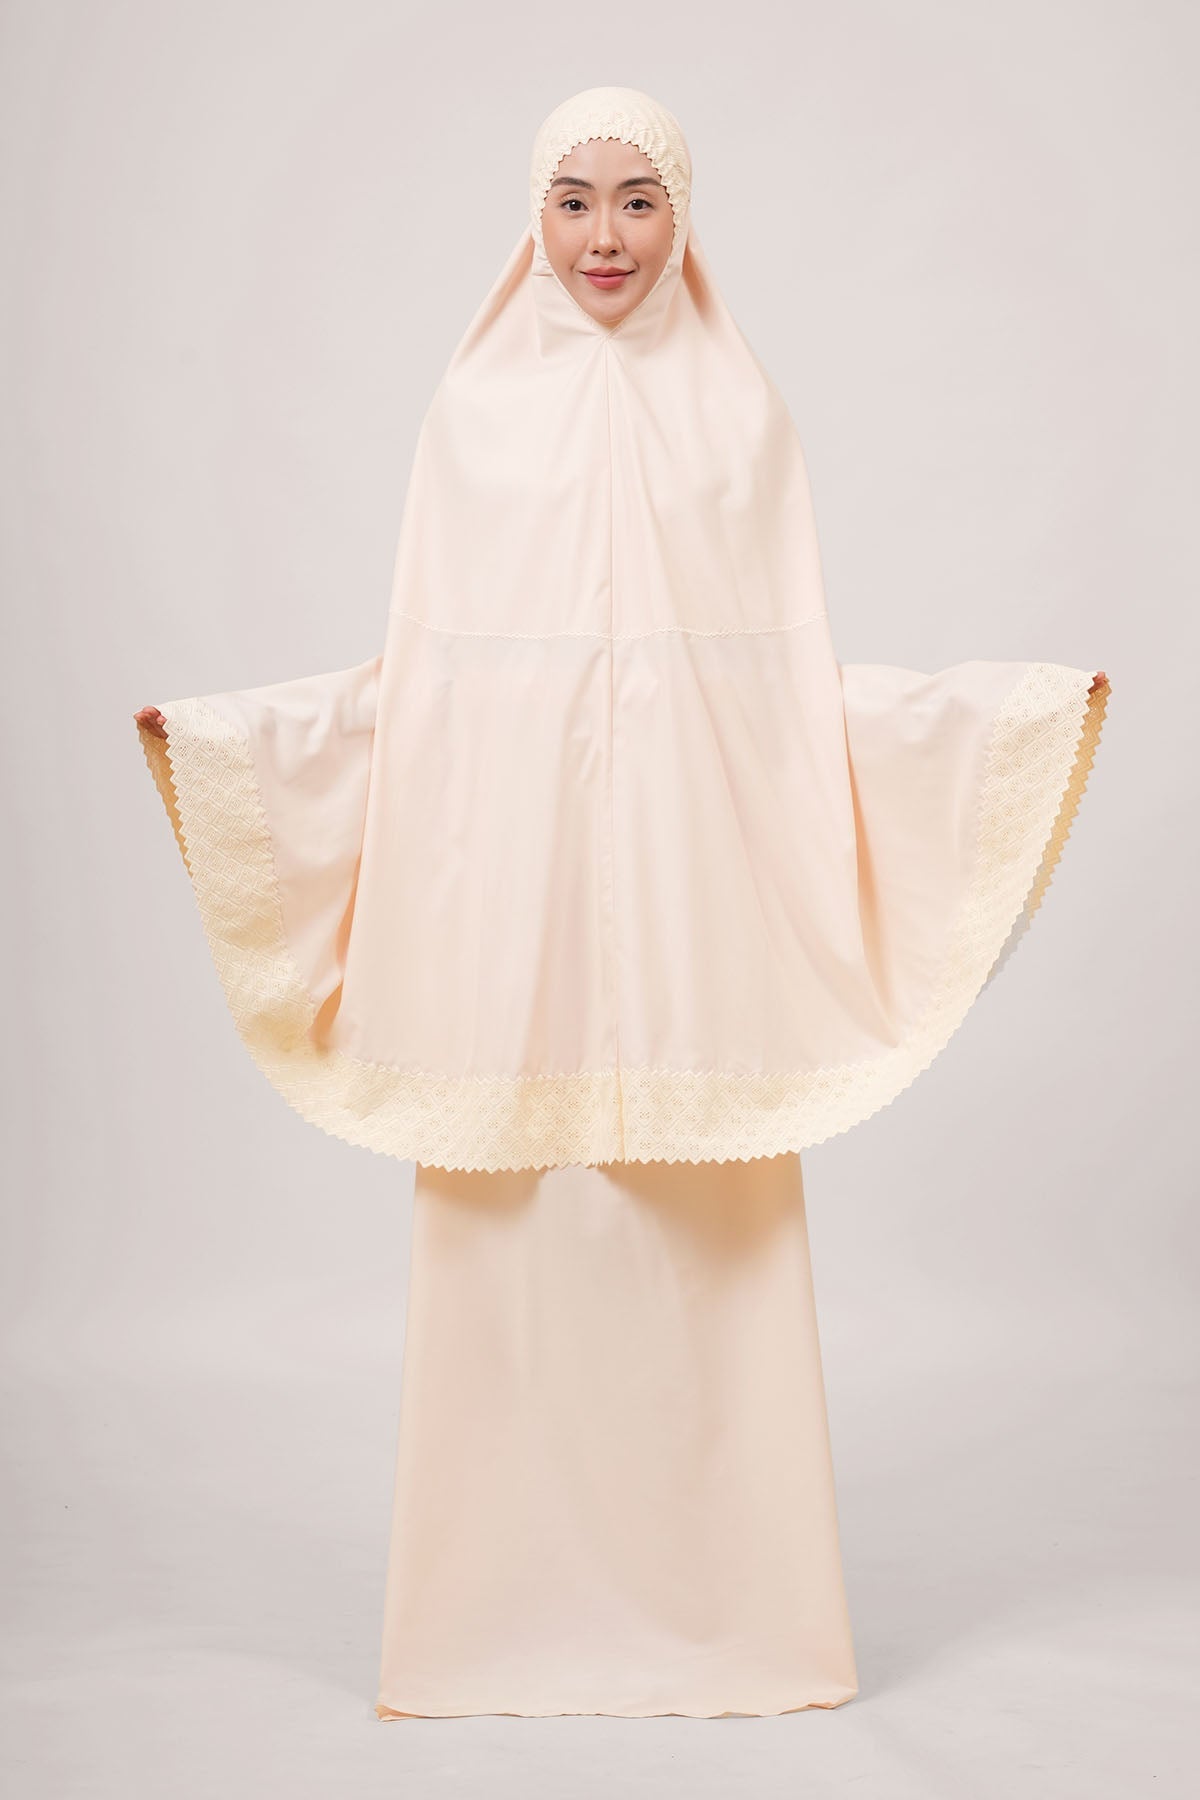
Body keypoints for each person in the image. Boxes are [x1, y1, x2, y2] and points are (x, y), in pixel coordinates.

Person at [134, 86, 1109, 1719]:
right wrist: (242, 742)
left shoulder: (742, 422)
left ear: (684, 214)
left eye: (639, 199)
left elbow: (783, 702)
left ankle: (746, 1634)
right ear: (532, 215)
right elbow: (425, 689)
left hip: (700, 932)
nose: (605, 235)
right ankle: (481, 1637)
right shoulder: (471, 422)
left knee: (700, 1268)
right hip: (506, 932)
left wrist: (993, 719)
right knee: (514, 1259)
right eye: (574, 199)